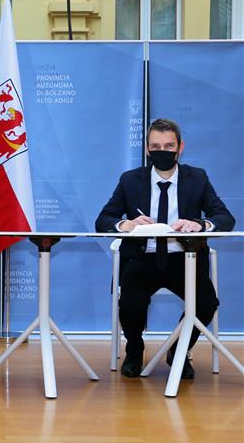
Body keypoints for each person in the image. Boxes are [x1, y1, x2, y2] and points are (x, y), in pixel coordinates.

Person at [96, 118, 235, 379]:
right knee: (130, 302)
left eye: (169, 145)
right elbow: (103, 219)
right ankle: (135, 350)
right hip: (142, 258)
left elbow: (224, 217)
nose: (162, 151)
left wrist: (200, 224)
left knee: (206, 303)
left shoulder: (198, 178)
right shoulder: (130, 180)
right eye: (156, 146)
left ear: (180, 147)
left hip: (185, 259)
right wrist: (126, 224)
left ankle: (179, 349)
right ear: (148, 149)